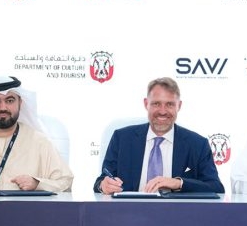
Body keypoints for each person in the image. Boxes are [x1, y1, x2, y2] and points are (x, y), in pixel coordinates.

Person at [94, 77, 224, 194]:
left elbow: (216, 187)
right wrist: (103, 186)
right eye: (156, 104)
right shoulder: (121, 138)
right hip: (129, 211)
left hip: (178, 212)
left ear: (179, 106)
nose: (162, 111)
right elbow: (101, 181)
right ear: (146, 104)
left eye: (169, 104)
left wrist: (178, 183)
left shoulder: (198, 144)